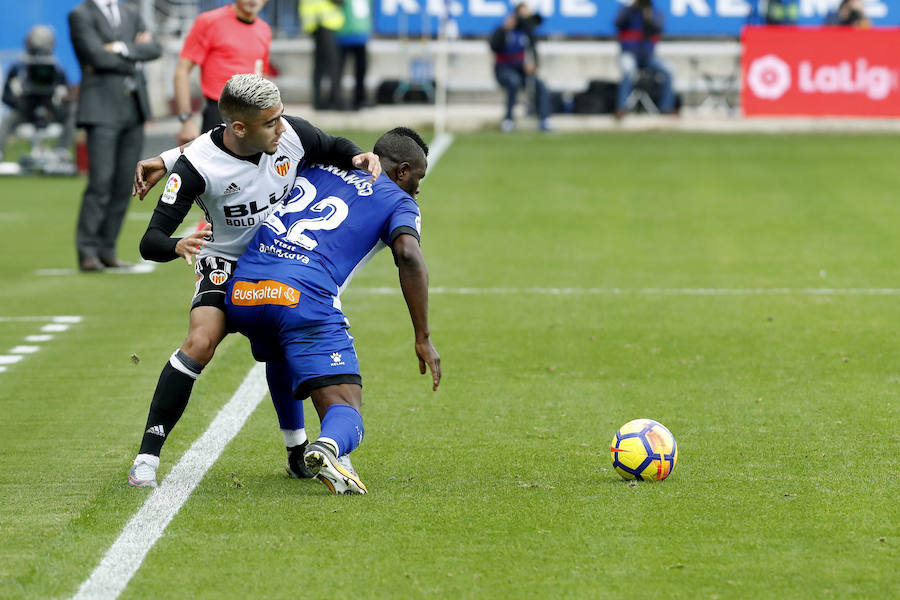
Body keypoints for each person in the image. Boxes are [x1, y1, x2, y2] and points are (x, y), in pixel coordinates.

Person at [127, 74, 381, 488]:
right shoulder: (196, 166)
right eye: (271, 123)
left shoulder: (291, 133)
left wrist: (359, 156)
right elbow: (149, 241)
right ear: (239, 128)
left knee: (290, 336)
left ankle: (303, 451)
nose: (282, 129)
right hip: (226, 262)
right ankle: (146, 458)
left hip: (280, 261)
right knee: (200, 342)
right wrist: (178, 245)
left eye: (281, 118)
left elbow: (333, 146)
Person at [225, 126, 441, 494]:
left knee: (278, 350)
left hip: (244, 288)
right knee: (348, 409)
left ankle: (296, 452)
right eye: (418, 178)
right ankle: (329, 447)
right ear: (402, 171)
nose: (418, 188)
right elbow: (407, 254)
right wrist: (423, 336)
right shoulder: (399, 200)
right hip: (302, 296)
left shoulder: (316, 164)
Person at [68, 0, 162, 272]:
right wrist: (135, 52)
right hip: (100, 110)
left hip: (133, 108)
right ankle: (87, 252)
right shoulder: (80, 14)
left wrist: (120, 49)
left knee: (125, 183)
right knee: (101, 183)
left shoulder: (131, 12)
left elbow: (154, 49)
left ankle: (107, 250)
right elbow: (95, 56)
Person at [174, 0, 272, 145]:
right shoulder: (209, 21)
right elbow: (182, 71)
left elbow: (262, 74)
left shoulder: (264, 29)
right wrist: (186, 120)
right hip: (218, 113)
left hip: (252, 116)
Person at [0, 25, 75, 165]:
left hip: (51, 110)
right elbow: (5, 97)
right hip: (25, 110)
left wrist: (60, 95)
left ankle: (61, 150)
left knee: (72, 112)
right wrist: (17, 96)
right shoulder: (18, 68)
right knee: (7, 119)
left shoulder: (56, 69)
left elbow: (68, 95)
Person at [489, 3, 551, 133]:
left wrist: (534, 65)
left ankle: (544, 119)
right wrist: (504, 29)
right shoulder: (505, 29)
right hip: (503, 68)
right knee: (513, 82)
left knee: (541, 86)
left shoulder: (527, 31)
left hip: (521, 69)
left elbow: (533, 50)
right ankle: (508, 120)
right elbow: (493, 46)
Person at [613, 0, 675, 119]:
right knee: (628, 71)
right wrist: (632, 9)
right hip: (629, 53)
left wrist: (648, 17)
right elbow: (618, 23)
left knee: (669, 70)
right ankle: (621, 108)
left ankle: (666, 107)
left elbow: (659, 28)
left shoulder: (654, 11)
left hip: (648, 56)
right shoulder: (627, 9)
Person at [300, 0, 345, 110]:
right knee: (333, 63)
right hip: (324, 23)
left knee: (320, 65)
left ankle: (318, 101)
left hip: (315, 23)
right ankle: (336, 100)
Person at [337, 0, 372, 111]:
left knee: (361, 70)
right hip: (344, 34)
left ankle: (360, 99)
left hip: (361, 35)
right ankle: (337, 100)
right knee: (338, 71)